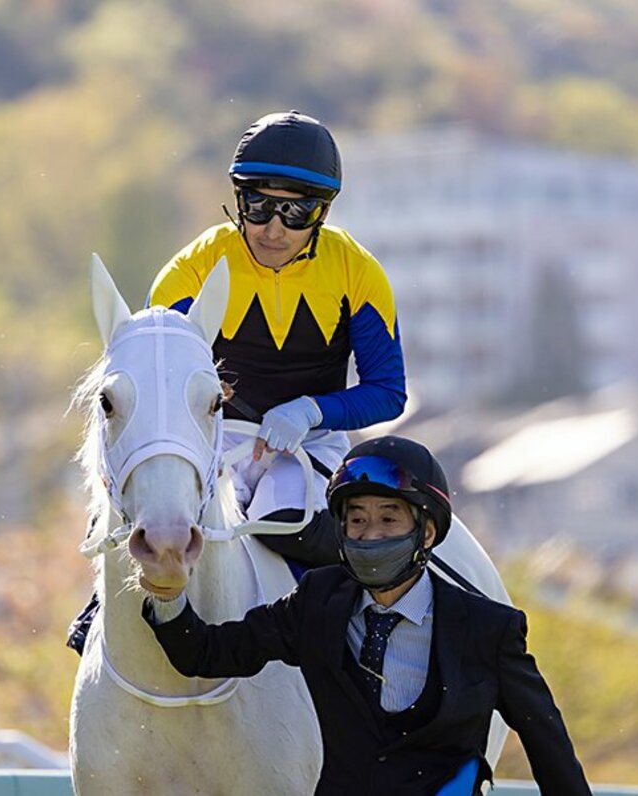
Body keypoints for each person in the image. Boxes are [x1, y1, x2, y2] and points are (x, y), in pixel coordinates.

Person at [68, 110, 406, 653]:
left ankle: (347, 651)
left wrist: (311, 412)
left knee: (288, 522)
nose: (274, 228)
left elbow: (389, 390)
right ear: (237, 198)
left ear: (322, 213)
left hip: (308, 442)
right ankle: (97, 617)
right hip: (215, 437)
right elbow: (150, 390)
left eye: (296, 212)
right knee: (154, 502)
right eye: (259, 206)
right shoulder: (191, 269)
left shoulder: (357, 272)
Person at [142, 436, 591, 795]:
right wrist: (168, 594)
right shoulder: (317, 601)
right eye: (356, 520)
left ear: (427, 531)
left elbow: (548, 747)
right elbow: (207, 654)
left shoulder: (489, 630)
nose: (369, 534)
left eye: (389, 520)